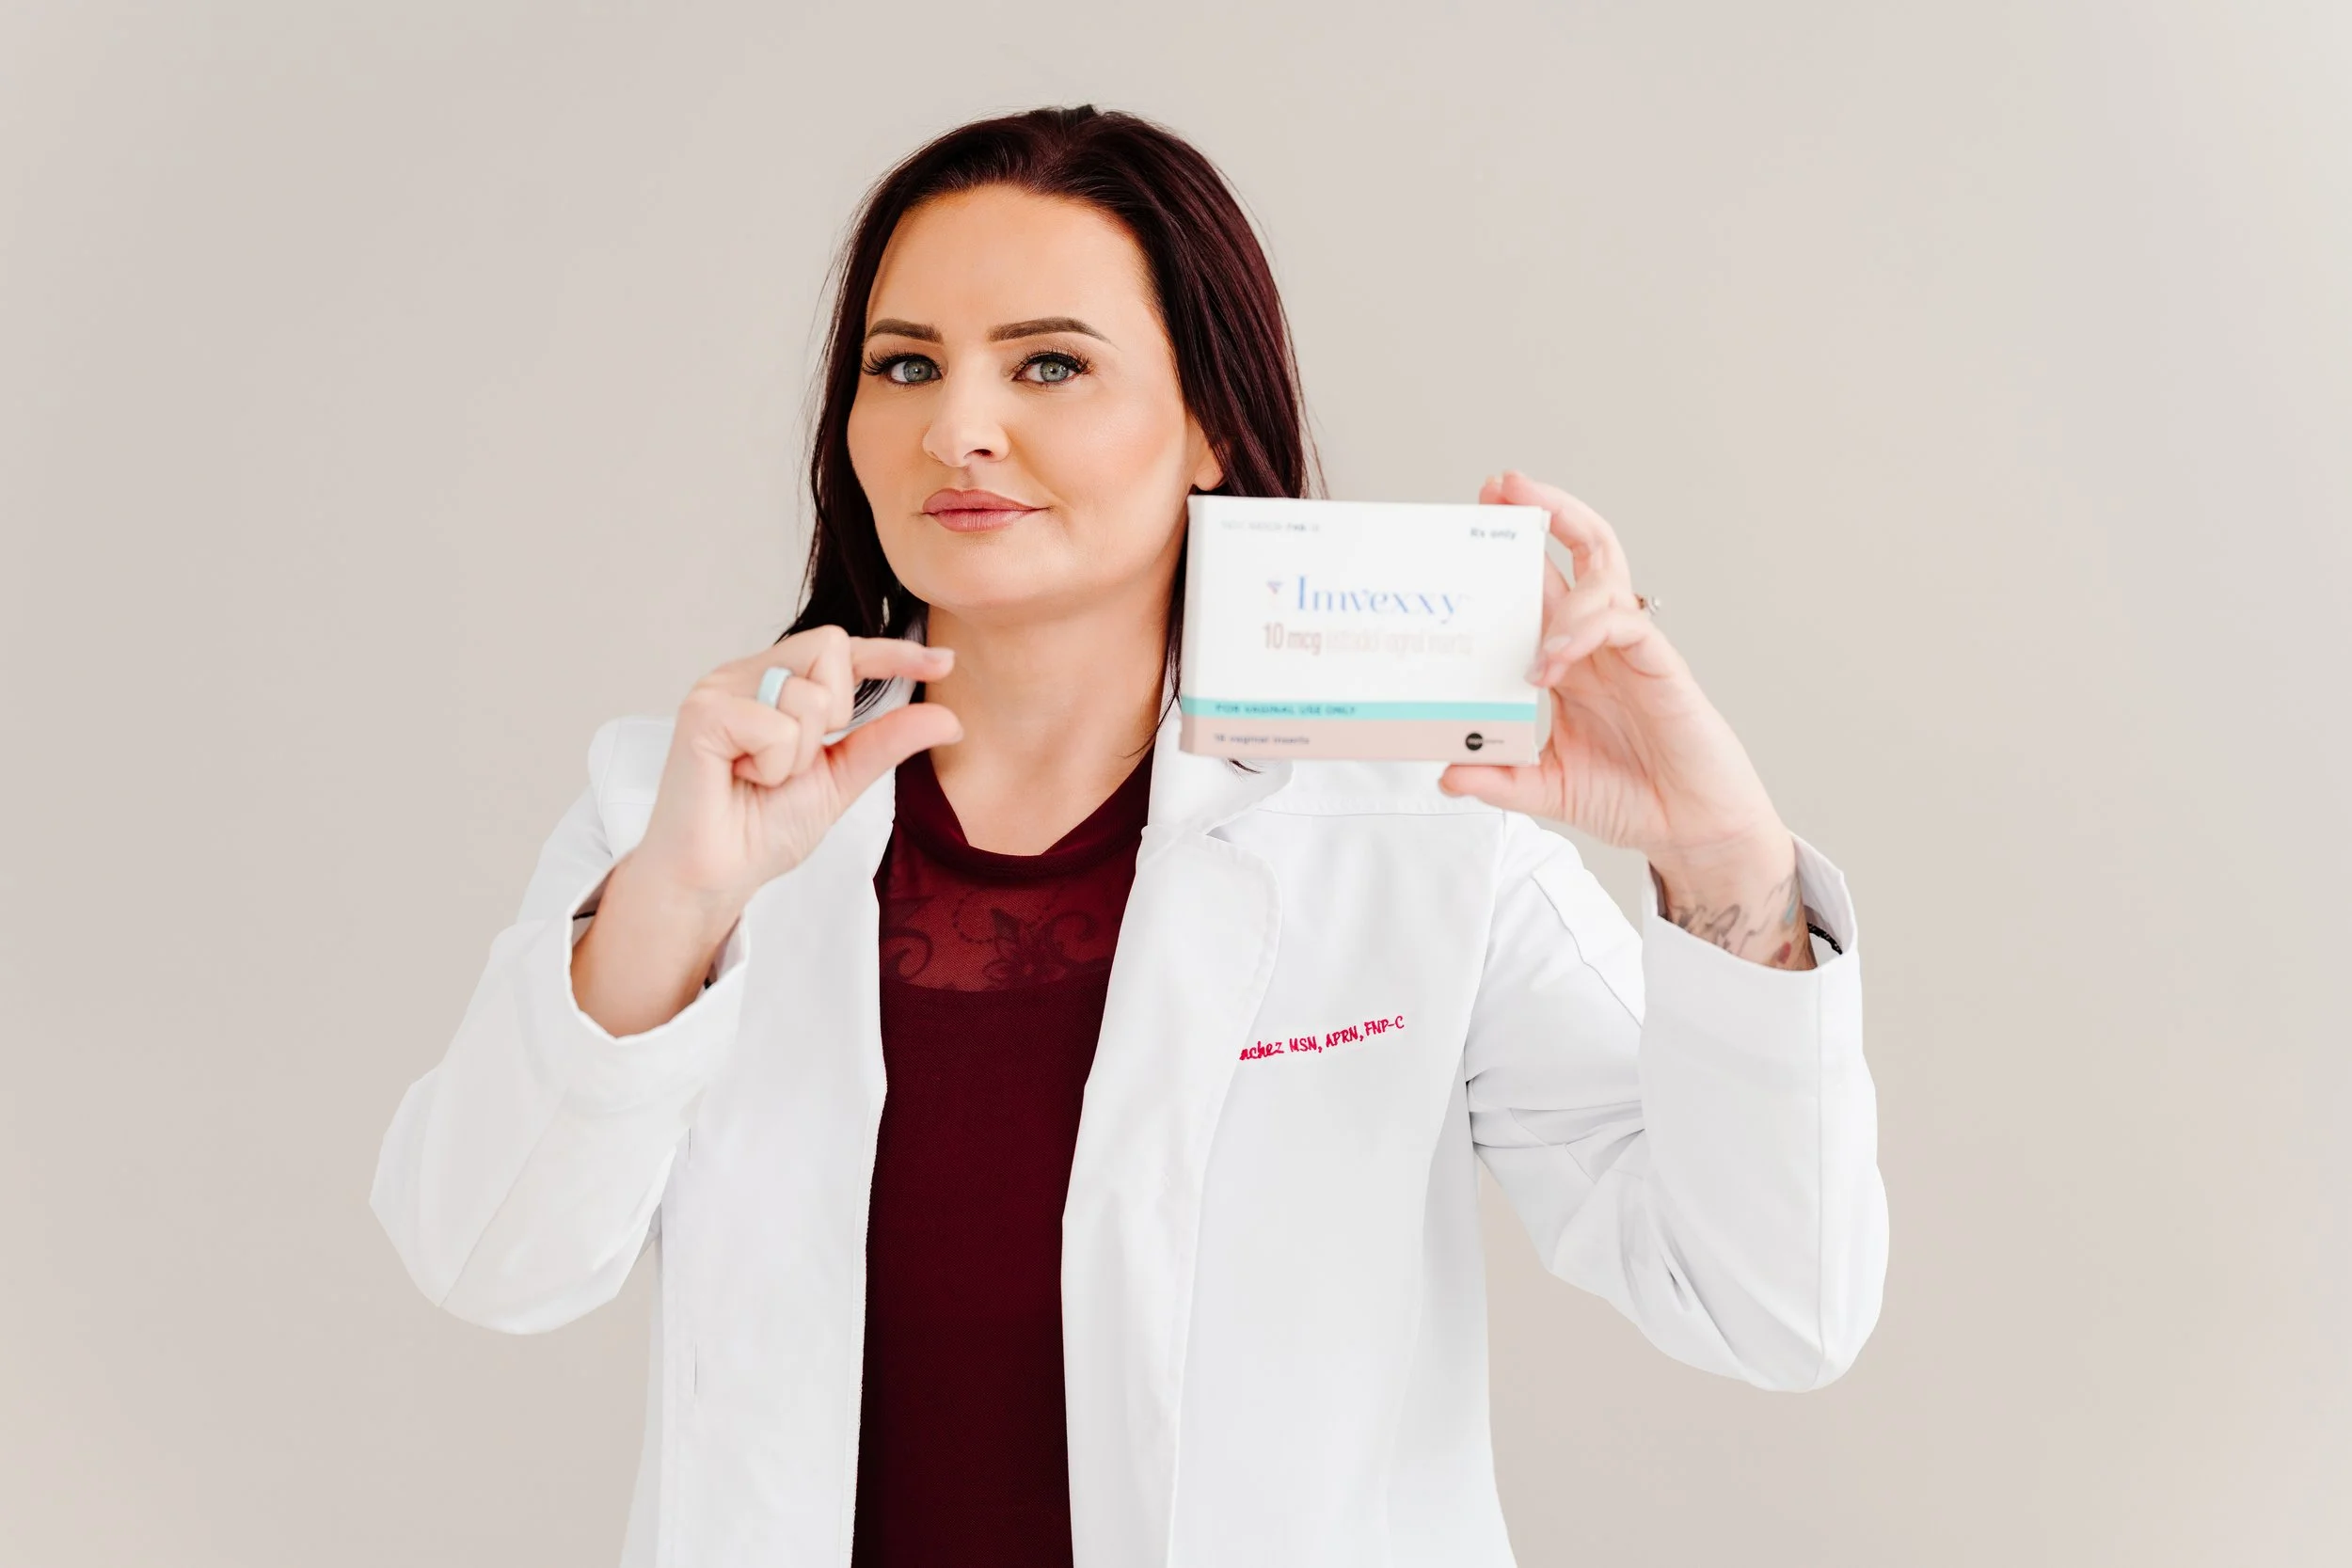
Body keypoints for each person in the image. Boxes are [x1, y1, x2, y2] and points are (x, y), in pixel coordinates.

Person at [372, 105, 1886, 1568]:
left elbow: (1773, 1305)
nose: (958, 428)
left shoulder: (1419, 829)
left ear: (1210, 426)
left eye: (1050, 363)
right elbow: (489, 1257)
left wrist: (1727, 865)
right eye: (906, 365)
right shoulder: (682, 807)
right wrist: (677, 906)